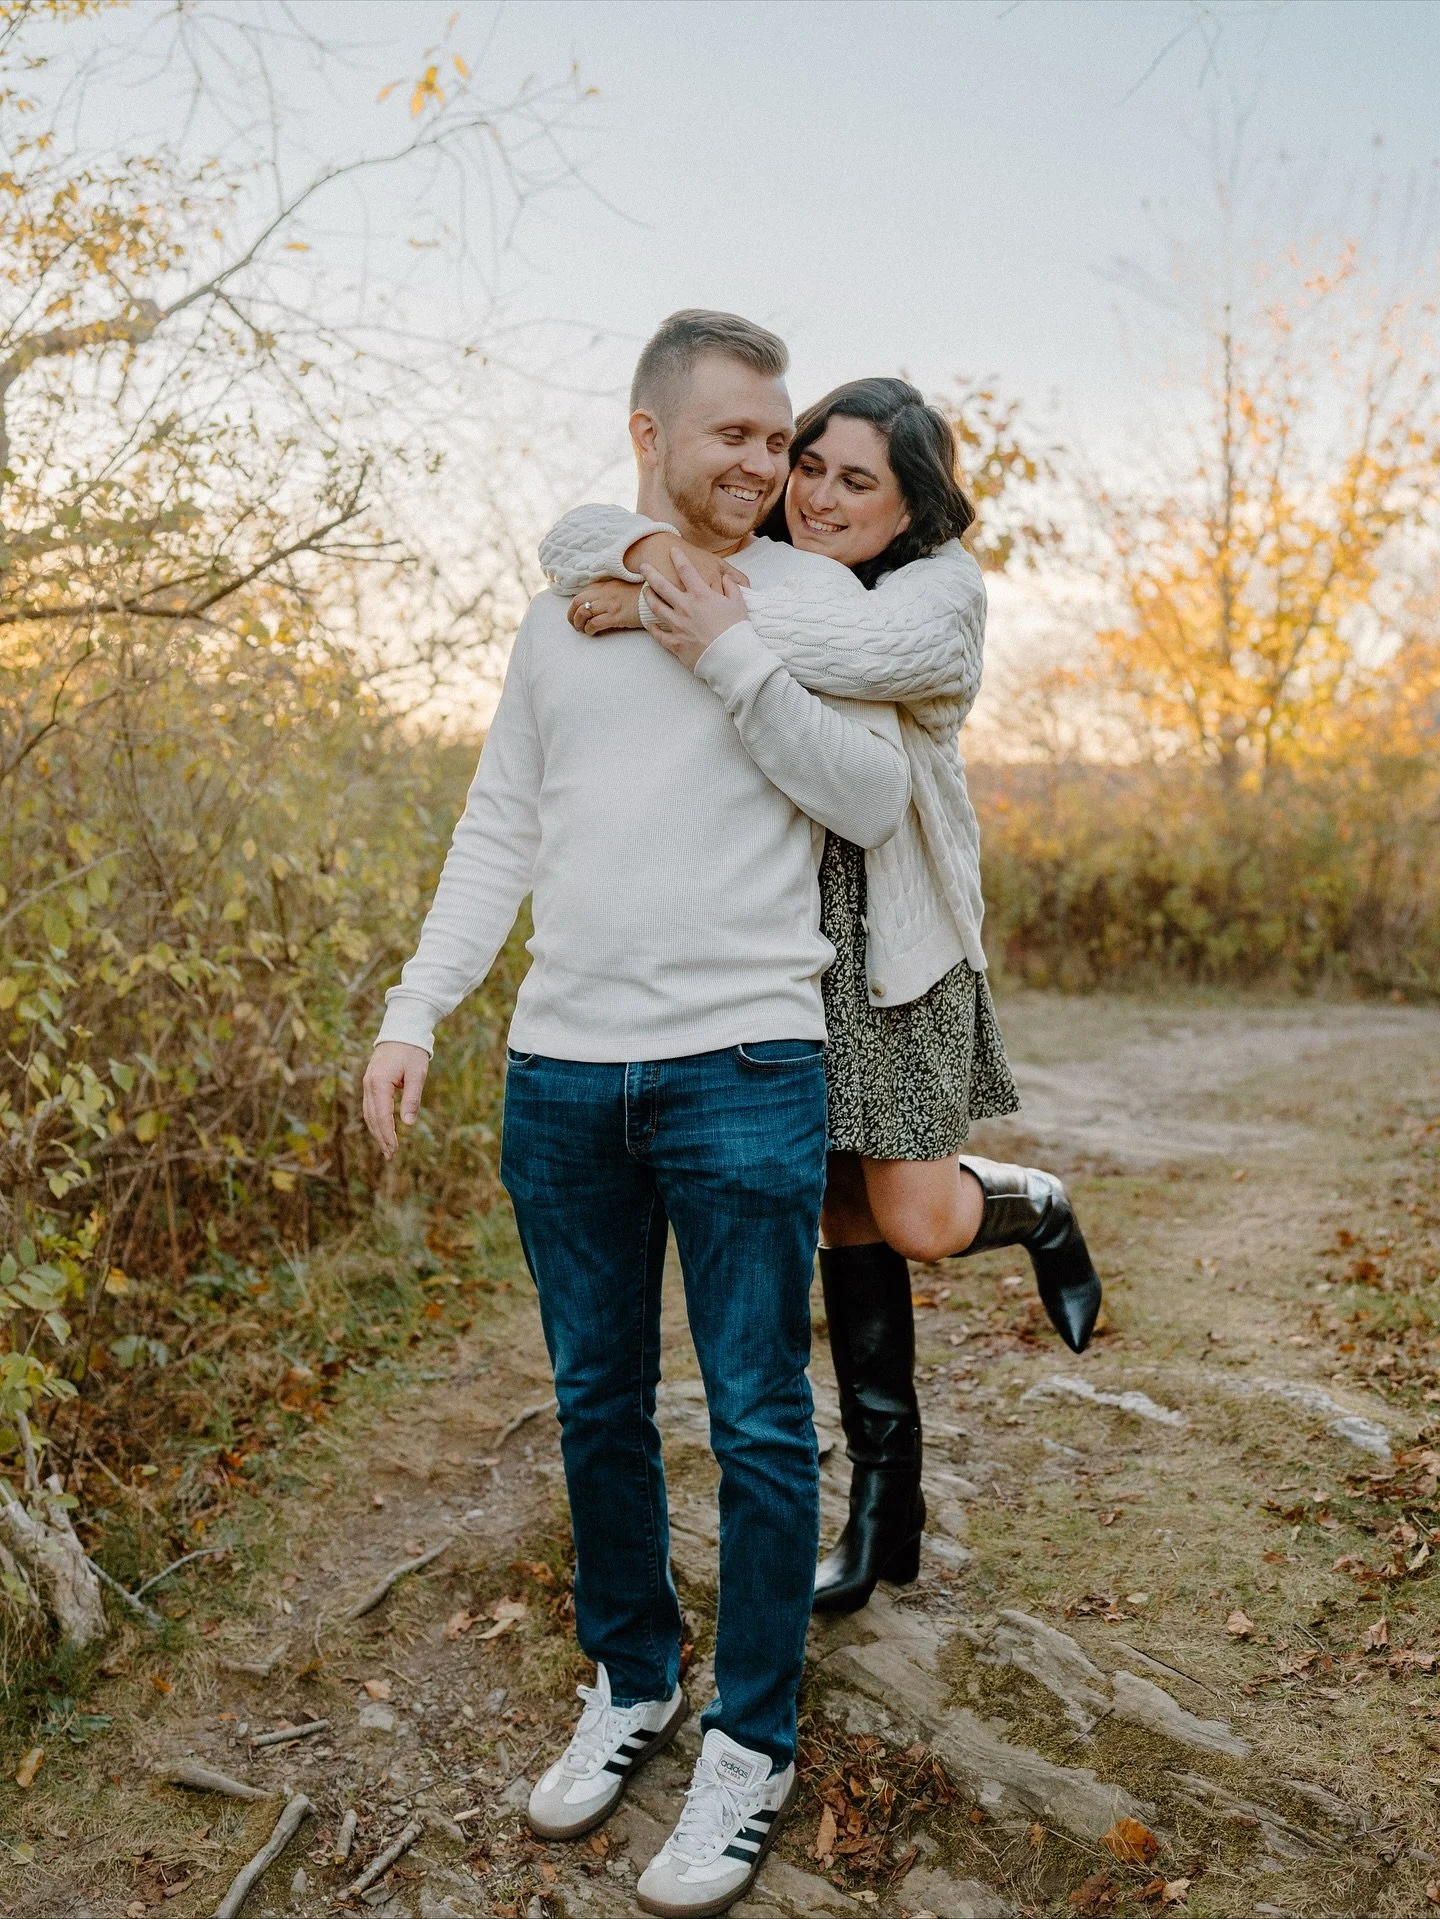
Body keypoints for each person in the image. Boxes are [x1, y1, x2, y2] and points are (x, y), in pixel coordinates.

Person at [363, 313, 912, 1918]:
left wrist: (721, 644)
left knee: (754, 1415)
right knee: (595, 1398)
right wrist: (417, 1009)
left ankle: (753, 1735)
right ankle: (633, 1676)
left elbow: (871, 800)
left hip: (744, 1063)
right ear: (649, 434)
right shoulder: (561, 612)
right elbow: (500, 824)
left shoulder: (820, 603)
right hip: (559, 1072)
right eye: (733, 432)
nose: (764, 461)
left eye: (779, 434)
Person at [537, 376, 1102, 1617]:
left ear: (910, 506)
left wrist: (661, 609)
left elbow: (865, 649)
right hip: (779, 942)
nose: (822, 494)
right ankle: (882, 1511)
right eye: (813, 466)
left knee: (911, 1214)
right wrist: (657, 570)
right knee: (841, 1211)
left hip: (897, 940)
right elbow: (570, 539)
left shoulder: (939, 595)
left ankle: (1036, 1205)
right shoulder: (758, 563)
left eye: (861, 479)